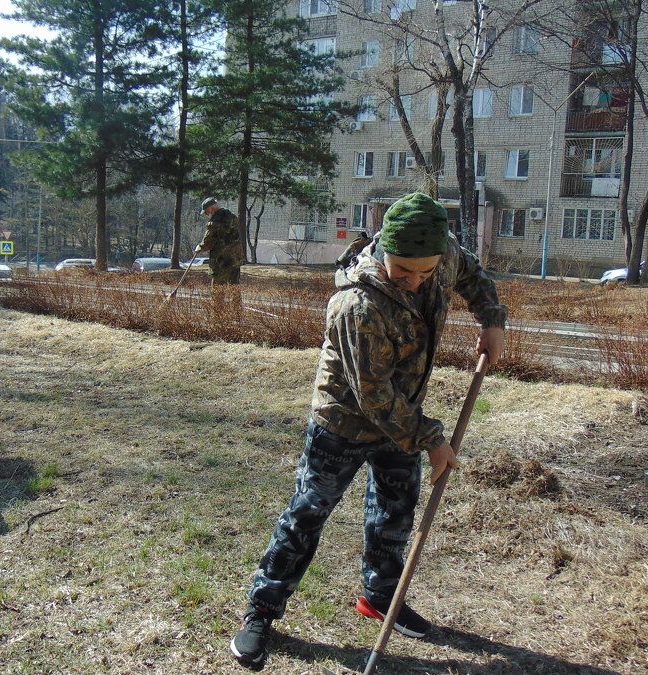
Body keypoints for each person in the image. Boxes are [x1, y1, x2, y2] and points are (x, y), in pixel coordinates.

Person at [229, 193, 507, 668]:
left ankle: (381, 597)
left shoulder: (440, 256)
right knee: (307, 515)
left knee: (394, 515)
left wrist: (492, 320)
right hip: (344, 420)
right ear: (383, 252)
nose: (416, 281)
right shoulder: (356, 303)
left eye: (426, 272)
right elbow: (373, 395)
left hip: (404, 419)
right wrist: (434, 440)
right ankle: (262, 610)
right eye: (403, 270)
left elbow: (472, 275)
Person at [194, 197, 244, 308]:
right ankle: (237, 313)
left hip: (221, 260)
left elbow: (209, 241)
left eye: (207, 212)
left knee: (217, 290)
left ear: (211, 208)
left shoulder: (215, 222)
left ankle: (218, 316)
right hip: (235, 259)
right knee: (234, 287)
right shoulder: (233, 217)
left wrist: (200, 248)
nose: (207, 214)